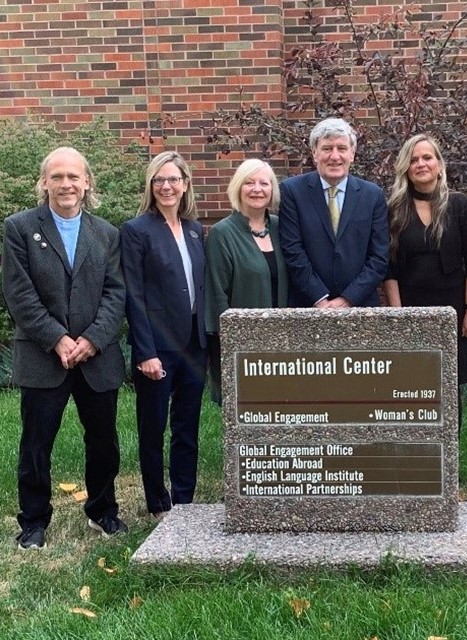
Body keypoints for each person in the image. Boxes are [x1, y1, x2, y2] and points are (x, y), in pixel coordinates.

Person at [2, 147, 127, 549]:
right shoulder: (19, 228)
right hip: (43, 356)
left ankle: (103, 510)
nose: (66, 184)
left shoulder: (106, 233)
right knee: (37, 443)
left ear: (87, 182)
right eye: (57, 177)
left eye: (74, 176)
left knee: (104, 440)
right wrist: (57, 338)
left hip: (97, 357)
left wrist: (92, 339)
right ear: (44, 184)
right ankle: (34, 520)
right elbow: (19, 295)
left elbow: (115, 292)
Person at [121, 151, 207, 520]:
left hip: (193, 343)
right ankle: (158, 502)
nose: (167, 186)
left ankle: (183, 500)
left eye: (173, 179)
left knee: (186, 425)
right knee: (153, 425)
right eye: (159, 180)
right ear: (151, 186)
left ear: (185, 184)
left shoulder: (194, 228)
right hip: (157, 345)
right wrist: (144, 351)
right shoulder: (137, 230)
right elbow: (133, 294)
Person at [382, 134, 467, 431]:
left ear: (439, 164)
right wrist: (398, 315)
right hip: (410, 307)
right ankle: (417, 456)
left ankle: (449, 458)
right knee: (411, 382)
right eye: (413, 160)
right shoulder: (393, 210)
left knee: (449, 385)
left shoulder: (460, 206)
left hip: (452, 309)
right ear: (405, 168)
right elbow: (389, 269)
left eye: (427, 157)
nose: (420, 164)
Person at [279, 117, 388, 308]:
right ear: (314, 153)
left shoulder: (373, 196)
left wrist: (348, 299)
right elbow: (292, 250)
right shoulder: (292, 192)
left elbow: (379, 257)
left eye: (342, 148)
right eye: (327, 148)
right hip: (308, 306)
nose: (335, 156)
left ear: (352, 154)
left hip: (360, 307)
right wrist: (319, 298)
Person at [205, 159, 288, 404]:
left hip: (282, 338)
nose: (257, 189)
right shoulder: (222, 233)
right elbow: (217, 294)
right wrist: (229, 341)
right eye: (249, 183)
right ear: (238, 188)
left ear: (272, 190)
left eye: (264, 183)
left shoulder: (280, 227)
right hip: (243, 341)